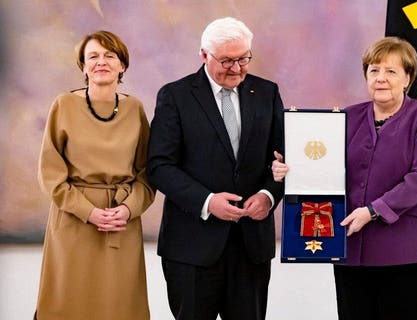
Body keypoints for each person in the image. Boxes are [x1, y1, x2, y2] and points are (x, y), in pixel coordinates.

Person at [272, 36, 417, 320]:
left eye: (391, 71)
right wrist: (291, 170)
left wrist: (374, 211)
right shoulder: (346, 117)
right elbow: (323, 169)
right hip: (352, 250)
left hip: (409, 252)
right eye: (374, 70)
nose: (381, 78)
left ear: (408, 78)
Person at [147, 17, 284, 320]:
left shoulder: (267, 93)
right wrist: (207, 202)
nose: (236, 68)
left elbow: (283, 158)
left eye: (243, 59)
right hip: (191, 248)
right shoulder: (175, 96)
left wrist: (268, 195)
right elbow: (159, 165)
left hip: (251, 248)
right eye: (226, 61)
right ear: (204, 55)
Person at [35, 31, 155, 320]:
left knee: (120, 307)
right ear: (83, 66)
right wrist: (87, 211)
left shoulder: (134, 109)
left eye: (109, 56)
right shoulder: (63, 105)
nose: (101, 62)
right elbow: (50, 173)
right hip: (74, 222)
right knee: (68, 304)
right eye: (93, 56)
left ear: (122, 65)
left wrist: (128, 209)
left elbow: (147, 173)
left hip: (120, 223)